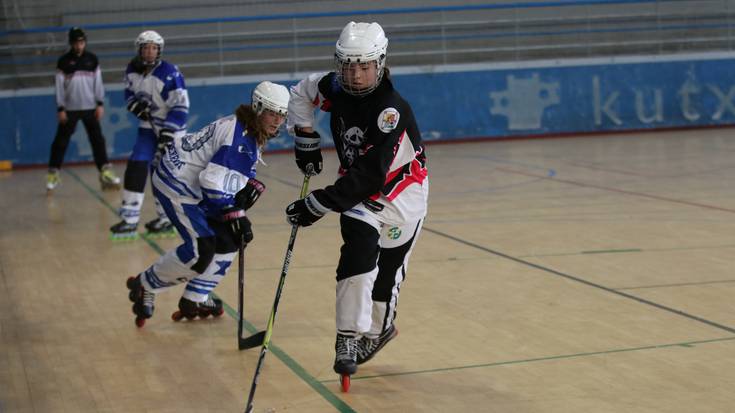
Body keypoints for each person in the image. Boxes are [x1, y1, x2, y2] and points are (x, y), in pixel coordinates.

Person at [285, 21, 429, 380]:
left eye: (364, 66)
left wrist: (318, 204)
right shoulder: (334, 88)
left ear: (379, 64)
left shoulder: (389, 110)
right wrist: (306, 138)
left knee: (387, 278)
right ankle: (347, 336)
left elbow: (371, 176)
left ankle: (379, 330)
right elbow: (301, 93)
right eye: (348, 65)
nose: (356, 74)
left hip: (402, 196)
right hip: (357, 195)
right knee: (359, 251)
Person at [126, 81, 290, 327]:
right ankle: (144, 284)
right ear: (257, 108)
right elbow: (211, 181)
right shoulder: (242, 139)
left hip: (190, 182)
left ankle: (195, 298)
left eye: (282, 114)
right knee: (200, 250)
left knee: (229, 239)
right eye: (272, 112)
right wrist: (236, 213)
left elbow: (222, 174)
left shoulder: (246, 126)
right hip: (177, 185)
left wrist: (240, 196)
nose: (277, 120)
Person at [110, 30, 189, 239]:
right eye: (146, 47)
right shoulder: (131, 70)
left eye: (154, 48)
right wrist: (135, 106)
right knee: (136, 166)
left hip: (172, 132)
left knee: (162, 174)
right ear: (139, 49)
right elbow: (129, 93)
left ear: (159, 50)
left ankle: (167, 218)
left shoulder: (170, 73)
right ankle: (129, 219)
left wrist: (167, 133)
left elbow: (181, 107)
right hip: (148, 129)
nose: (149, 52)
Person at [46, 27, 121, 193]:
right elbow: (59, 87)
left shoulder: (92, 60)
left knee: (97, 141)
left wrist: (100, 103)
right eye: (76, 43)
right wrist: (61, 108)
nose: (79, 45)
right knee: (60, 143)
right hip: (70, 110)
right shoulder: (63, 62)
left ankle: (105, 171)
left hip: (90, 108)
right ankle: (53, 173)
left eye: (82, 42)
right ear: (71, 43)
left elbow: (98, 83)